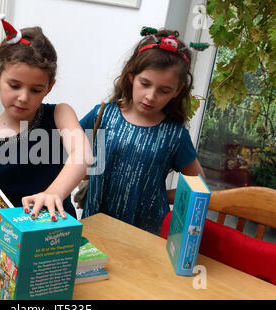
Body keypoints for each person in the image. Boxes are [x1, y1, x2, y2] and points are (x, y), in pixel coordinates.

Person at [0, 15, 92, 251]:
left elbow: (82, 155)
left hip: (58, 239)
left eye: (35, 89)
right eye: (15, 85)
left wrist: (53, 194)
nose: (23, 97)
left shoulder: (60, 114)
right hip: (6, 249)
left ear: (48, 88)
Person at [79, 27, 206, 235]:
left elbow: (198, 186)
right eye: (145, 84)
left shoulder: (175, 136)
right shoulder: (102, 115)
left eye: (164, 90)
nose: (151, 96)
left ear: (178, 91)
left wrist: (160, 196)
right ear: (131, 77)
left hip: (145, 237)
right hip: (94, 228)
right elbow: (62, 154)